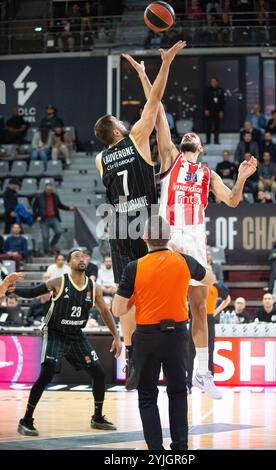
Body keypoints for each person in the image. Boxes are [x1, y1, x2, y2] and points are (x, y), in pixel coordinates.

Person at [125, 53, 257, 399]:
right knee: (160, 306)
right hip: (167, 240)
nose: (191, 136)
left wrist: (242, 177)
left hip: (196, 240)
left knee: (200, 307)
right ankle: (137, 361)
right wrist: (146, 73)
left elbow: (231, 201)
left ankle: (202, 373)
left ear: (201, 148)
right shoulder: (170, 159)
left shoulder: (208, 174)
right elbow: (158, 110)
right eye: (189, 134)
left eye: (195, 136)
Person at [94, 41, 186, 390]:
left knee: (127, 295)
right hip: (147, 224)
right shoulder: (134, 137)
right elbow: (156, 102)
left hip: (119, 226)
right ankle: (167, 348)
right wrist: (162, 66)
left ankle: (133, 358)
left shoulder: (100, 159)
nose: (124, 120)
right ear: (117, 131)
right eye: (119, 120)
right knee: (161, 287)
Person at [112, 215, 216, 450]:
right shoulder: (184, 261)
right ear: (169, 237)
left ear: (145, 237)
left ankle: (156, 451)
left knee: (147, 394)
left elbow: (118, 308)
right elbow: (210, 279)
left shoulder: (133, 267)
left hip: (147, 338)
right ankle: (180, 447)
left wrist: (135, 296)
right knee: (178, 392)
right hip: (177, 335)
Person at [15, 248, 122, 437]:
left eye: (84, 256)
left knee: (98, 373)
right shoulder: (59, 281)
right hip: (54, 332)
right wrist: (12, 288)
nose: (81, 259)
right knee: (47, 372)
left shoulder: (93, 287)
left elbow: (105, 313)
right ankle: (26, 420)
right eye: (76, 257)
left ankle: (97, 417)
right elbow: (32, 292)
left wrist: (116, 337)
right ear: (69, 263)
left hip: (76, 335)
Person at [32, 183, 74, 255]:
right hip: (43, 219)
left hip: (53, 218)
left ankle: (51, 246)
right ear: (45, 189)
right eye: (48, 190)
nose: (49, 191)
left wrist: (69, 208)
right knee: (45, 236)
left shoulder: (55, 196)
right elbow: (34, 208)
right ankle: (46, 251)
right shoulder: (39, 196)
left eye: (50, 190)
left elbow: (60, 205)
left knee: (59, 231)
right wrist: (36, 216)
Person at [203, 77, 224, 144]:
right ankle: (208, 140)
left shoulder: (220, 90)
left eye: (214, 82)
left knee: (217, 126)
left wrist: (221, 110)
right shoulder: (207, 90)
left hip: (217, 111)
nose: (213, 83)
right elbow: (205, 101)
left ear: (217, 82)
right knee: (208, 126)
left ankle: (216, 140)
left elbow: (222, 101)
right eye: (212, 82)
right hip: (209, 110)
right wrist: (206, 109)